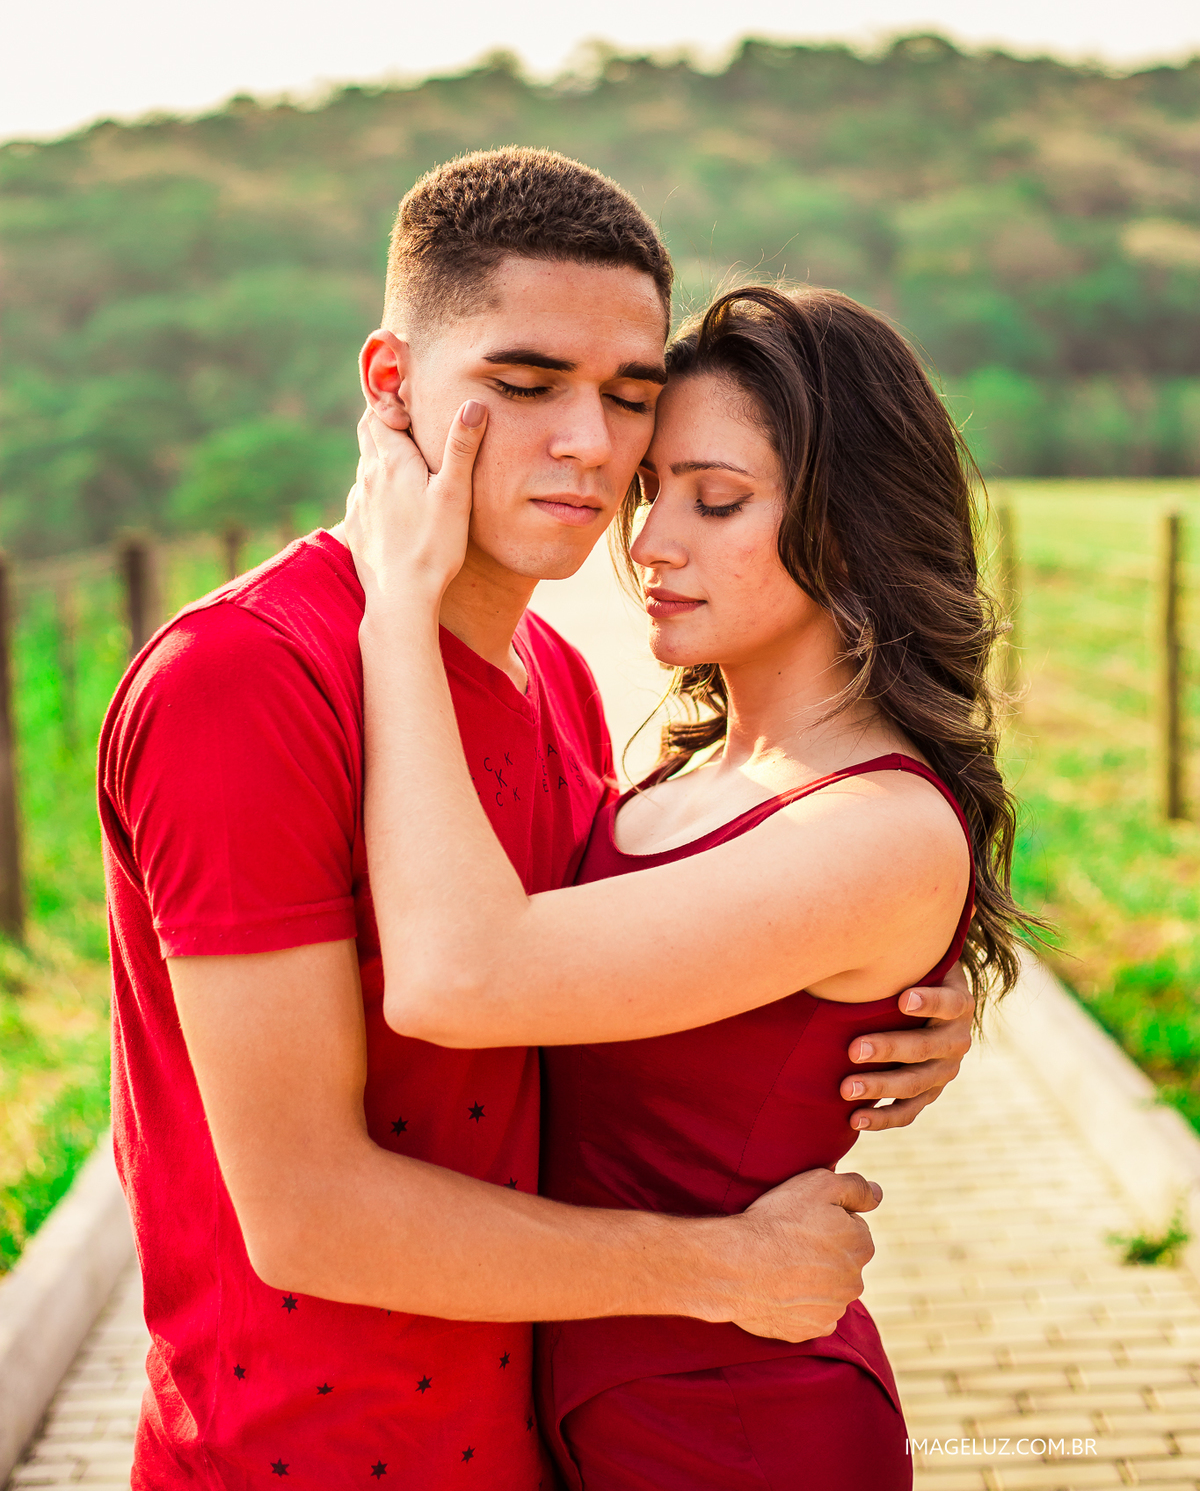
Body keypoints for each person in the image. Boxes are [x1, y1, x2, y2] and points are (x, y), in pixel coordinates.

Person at [99, 149, 974, 1491]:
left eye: (629, 399)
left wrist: (882, 992)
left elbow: (638, 968)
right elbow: (309, 1208)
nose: (592, 448)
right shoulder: (244, 684)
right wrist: (719, 1265)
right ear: (391, 386)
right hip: (307, 1459)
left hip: (558, 1442)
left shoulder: (555, 678)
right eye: (521, 386)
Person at [344, 279, 1022, 1490]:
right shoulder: (688, 764)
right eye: (657, 493)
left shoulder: (879, 826)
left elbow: (461, 976)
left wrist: (396, 610)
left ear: (853, 522)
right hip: (591, 1409)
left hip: (738, 1423)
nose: (651, 542)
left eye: (718, 502)